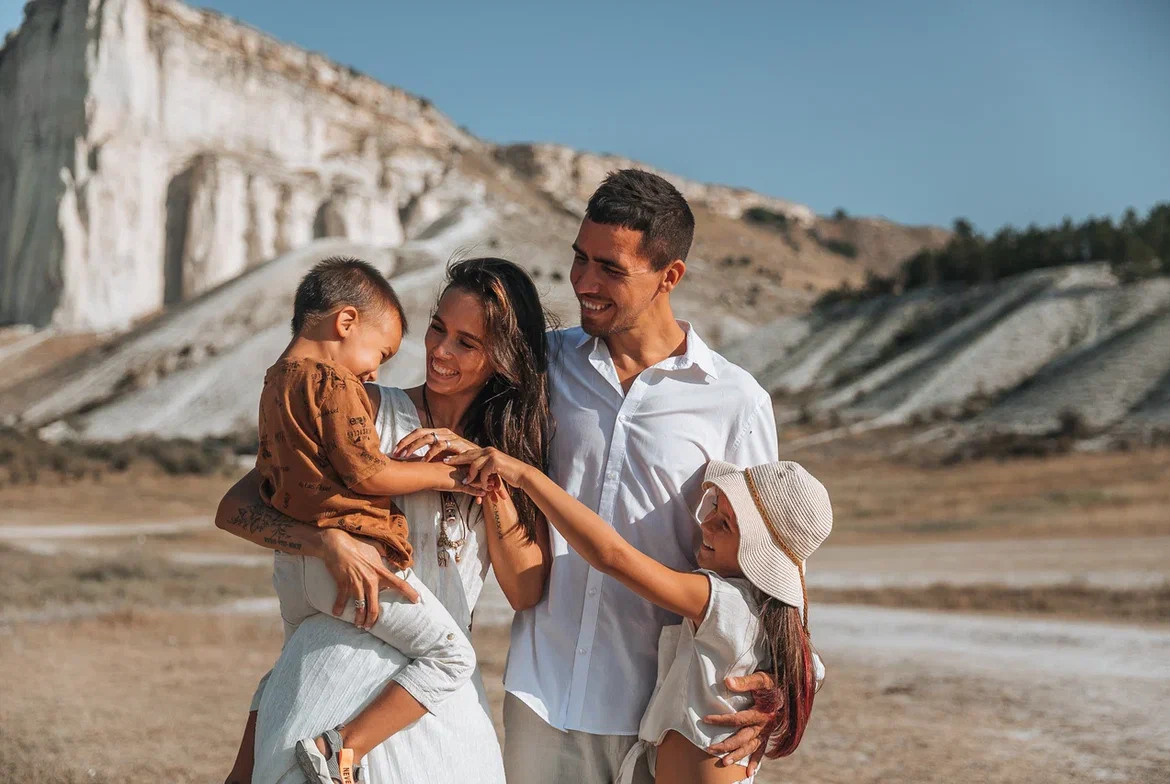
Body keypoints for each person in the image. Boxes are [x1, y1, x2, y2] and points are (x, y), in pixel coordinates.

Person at [217, 258, 553, 784]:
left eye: (467, 343)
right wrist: (323, 540)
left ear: (504, 359)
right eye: (438, 328)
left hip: (438, 698)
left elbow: (526, 589)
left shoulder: (508, 460)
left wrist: (484, 473)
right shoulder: (362, 407)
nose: (440, 351)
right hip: (333, 679)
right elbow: (238, 506)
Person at [499, 169, 783, 784]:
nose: (584, 282)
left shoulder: (735, 401)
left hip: (673, 713)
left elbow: (773, 563)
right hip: (543, 697)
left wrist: (787, 685)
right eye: (580, 259)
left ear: (669, 276)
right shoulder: (542, 366)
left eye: (610, 269)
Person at [448, 449, 830, 783]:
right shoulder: (771, 619)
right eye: (715, 509)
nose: (706, 524)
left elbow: (611, 556)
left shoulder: (723, 602)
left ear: (758, 552)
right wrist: (779, 698)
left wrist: (527, 477)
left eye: (725, 524)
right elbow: (812, 668)